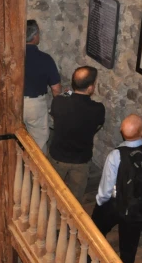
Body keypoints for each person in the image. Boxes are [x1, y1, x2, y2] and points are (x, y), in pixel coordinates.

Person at [91, 114, 142, 263]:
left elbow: (106, 188)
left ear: (121, 132)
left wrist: (100, 204)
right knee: (129, 248)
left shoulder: (115, 156)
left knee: (95, 233)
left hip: (116, 204)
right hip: (138, 208)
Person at [48, 66, 106, 203]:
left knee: (50, 191)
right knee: (75, 199)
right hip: (81, 159)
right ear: (91, 88)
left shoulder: (59, 102)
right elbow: (98, 125)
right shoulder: (98, 109)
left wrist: (69, 93)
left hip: (58, 155)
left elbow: (63, 96)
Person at [24, 20, 62, 151]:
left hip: (12, 102)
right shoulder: (45, 59)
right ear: (35, 36)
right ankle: (35, 171)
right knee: (39, 141)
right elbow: (56, 88)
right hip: (34, 105)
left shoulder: (12, 56)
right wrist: (58, 107)